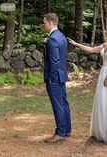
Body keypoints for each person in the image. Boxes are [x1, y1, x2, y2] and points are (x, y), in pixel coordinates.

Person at [43, 13, 71, 143]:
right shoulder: (61, 36)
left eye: (44, 23)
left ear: (50, 23)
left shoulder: (53, 39)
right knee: (63, 103)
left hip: (54, 77)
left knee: (58, 105)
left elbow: (54, 61)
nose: (44, 25)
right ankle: (66, 130)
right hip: (61, 75)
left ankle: (60, 133)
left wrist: (50, 78)